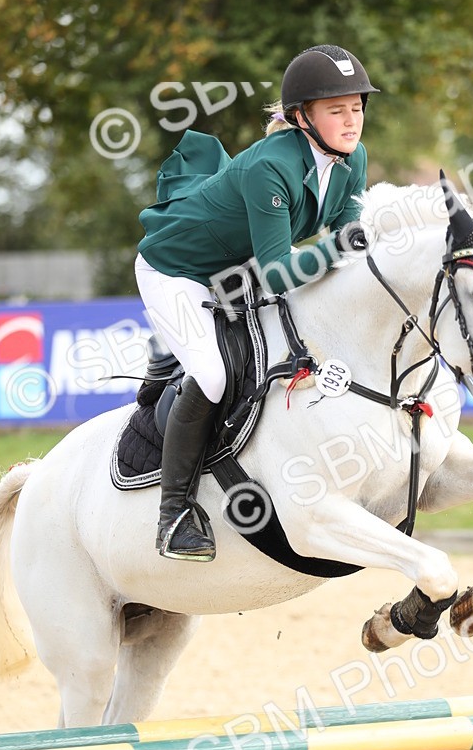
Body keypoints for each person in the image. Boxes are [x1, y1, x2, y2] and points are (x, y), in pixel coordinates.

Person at [135, 44, 378, 562]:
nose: (351, 120)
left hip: (234, 268)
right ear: (301, 117)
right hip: (176, 270)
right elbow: (276, 272)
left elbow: (350, 237)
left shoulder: (351, 159)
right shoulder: (271, 165)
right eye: (336, 110)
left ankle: (170, 353)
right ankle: (174, 513)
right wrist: (341, 248)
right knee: (217, 376)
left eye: (356, 107)